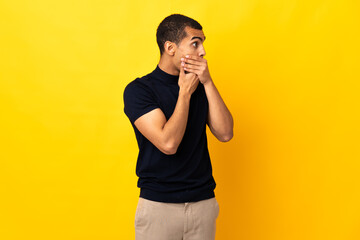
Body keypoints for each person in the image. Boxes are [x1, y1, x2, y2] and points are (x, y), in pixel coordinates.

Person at [123, 13, 233, 240]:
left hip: (202, 203)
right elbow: (168, 143)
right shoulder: (139, 90)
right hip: (158, 206)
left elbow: (225, 133)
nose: (202, 51)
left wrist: (208, 82)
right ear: (170, 48)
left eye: (203, 43)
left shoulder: (201, 85)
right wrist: (184, 93)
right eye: (195, 43)